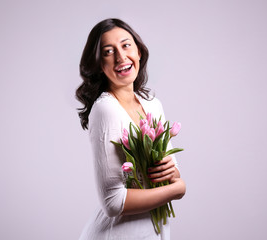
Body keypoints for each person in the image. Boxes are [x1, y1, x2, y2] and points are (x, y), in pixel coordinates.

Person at [76, 18, 186, 240]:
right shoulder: (105, 109)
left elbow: (171, 172)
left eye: (126, 45)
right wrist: (177, 189)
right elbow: (113, 202)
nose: (120, 57)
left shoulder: (152, 105)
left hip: (154, 231)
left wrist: (172, 174)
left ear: (139, 52)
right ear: (99, 65)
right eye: (108, 51)